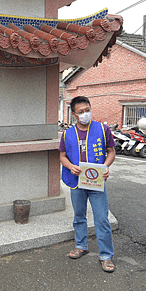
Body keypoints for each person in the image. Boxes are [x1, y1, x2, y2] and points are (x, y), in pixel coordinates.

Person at [59, 96, 116, 273]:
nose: (86, 114)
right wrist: (70, 166)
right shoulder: (67, 134)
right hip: (77, 182)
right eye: (81, 112)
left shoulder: (102, 129)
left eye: (88, 109)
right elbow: (62, 156)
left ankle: (106, 256)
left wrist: (106, 166)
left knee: (102, 218)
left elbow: (111, 152)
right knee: (79, 216)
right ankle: (81, 245)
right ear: (74, 114)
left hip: (96, 181)